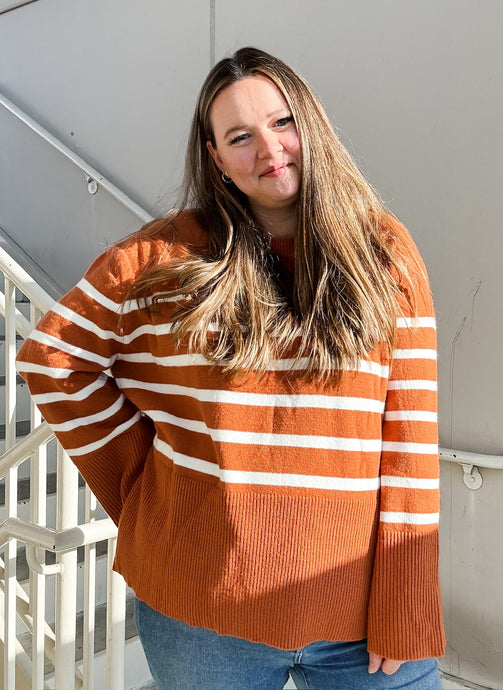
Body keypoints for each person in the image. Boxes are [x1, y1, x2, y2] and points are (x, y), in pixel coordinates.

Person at [16, 47, 445, 689]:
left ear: (312, 125)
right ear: (216, 158)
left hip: (361, 619)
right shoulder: (165, 255)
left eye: (282, 122)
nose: (269, 150)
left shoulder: (383, 251)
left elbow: (410, 438)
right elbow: (55, 361)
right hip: (201, 620)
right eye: (239, 136)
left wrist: (407, 600)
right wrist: (143, 491)